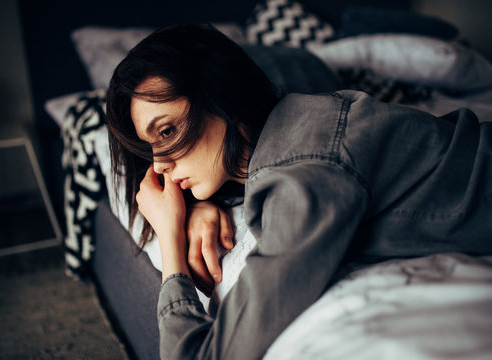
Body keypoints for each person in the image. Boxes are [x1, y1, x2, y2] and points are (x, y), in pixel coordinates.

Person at [106, 23, 492, 359]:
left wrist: (171, 245)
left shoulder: (304, 179)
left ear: (220, 94)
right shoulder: (302, 121)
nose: (158, 165)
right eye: (151, 146)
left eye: (168, 131)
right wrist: (201, 204)